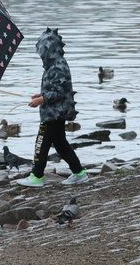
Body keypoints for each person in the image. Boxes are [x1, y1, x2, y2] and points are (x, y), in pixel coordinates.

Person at [16, 28, 88, 187]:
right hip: (54, 112)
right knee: (61, 143)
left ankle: (37, 176)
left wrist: (41, 99)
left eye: (42, 51)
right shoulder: (54, 65)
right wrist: (40, 95)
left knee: (41, 143)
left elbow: (59, 92)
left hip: (54, 113)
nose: (41, 55)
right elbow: (54, 88)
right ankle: (79, 172)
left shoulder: (58, 66)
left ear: (49, 49)